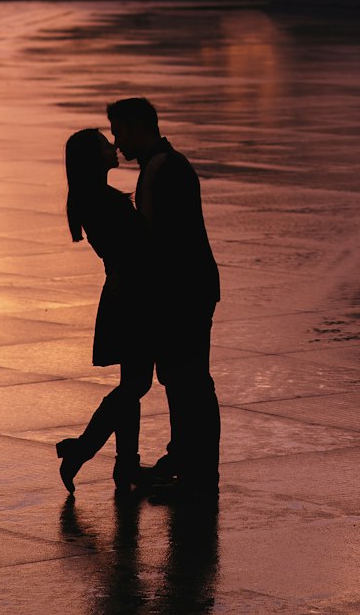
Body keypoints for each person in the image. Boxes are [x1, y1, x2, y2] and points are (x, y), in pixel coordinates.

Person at [107, 96, 221, 499]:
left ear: (140, 127)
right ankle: (186, 460)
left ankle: (196, 472)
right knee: (182, 380)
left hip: (183, 293)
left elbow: (171, 243)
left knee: (189, 381)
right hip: (186, 290)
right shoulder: (164, 166)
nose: (117, 143)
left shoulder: (167, 169)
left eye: (119, 132)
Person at [56, 129, 153, 494]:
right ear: (93, 159)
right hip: (131, 296)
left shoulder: (92, 198)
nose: (113, 147)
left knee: (131, 384)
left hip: (124, 293)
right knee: (136, 384)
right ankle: (82, 450)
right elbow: (137, 247)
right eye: (104, 145)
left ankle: (125, 463)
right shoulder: (101, 201)